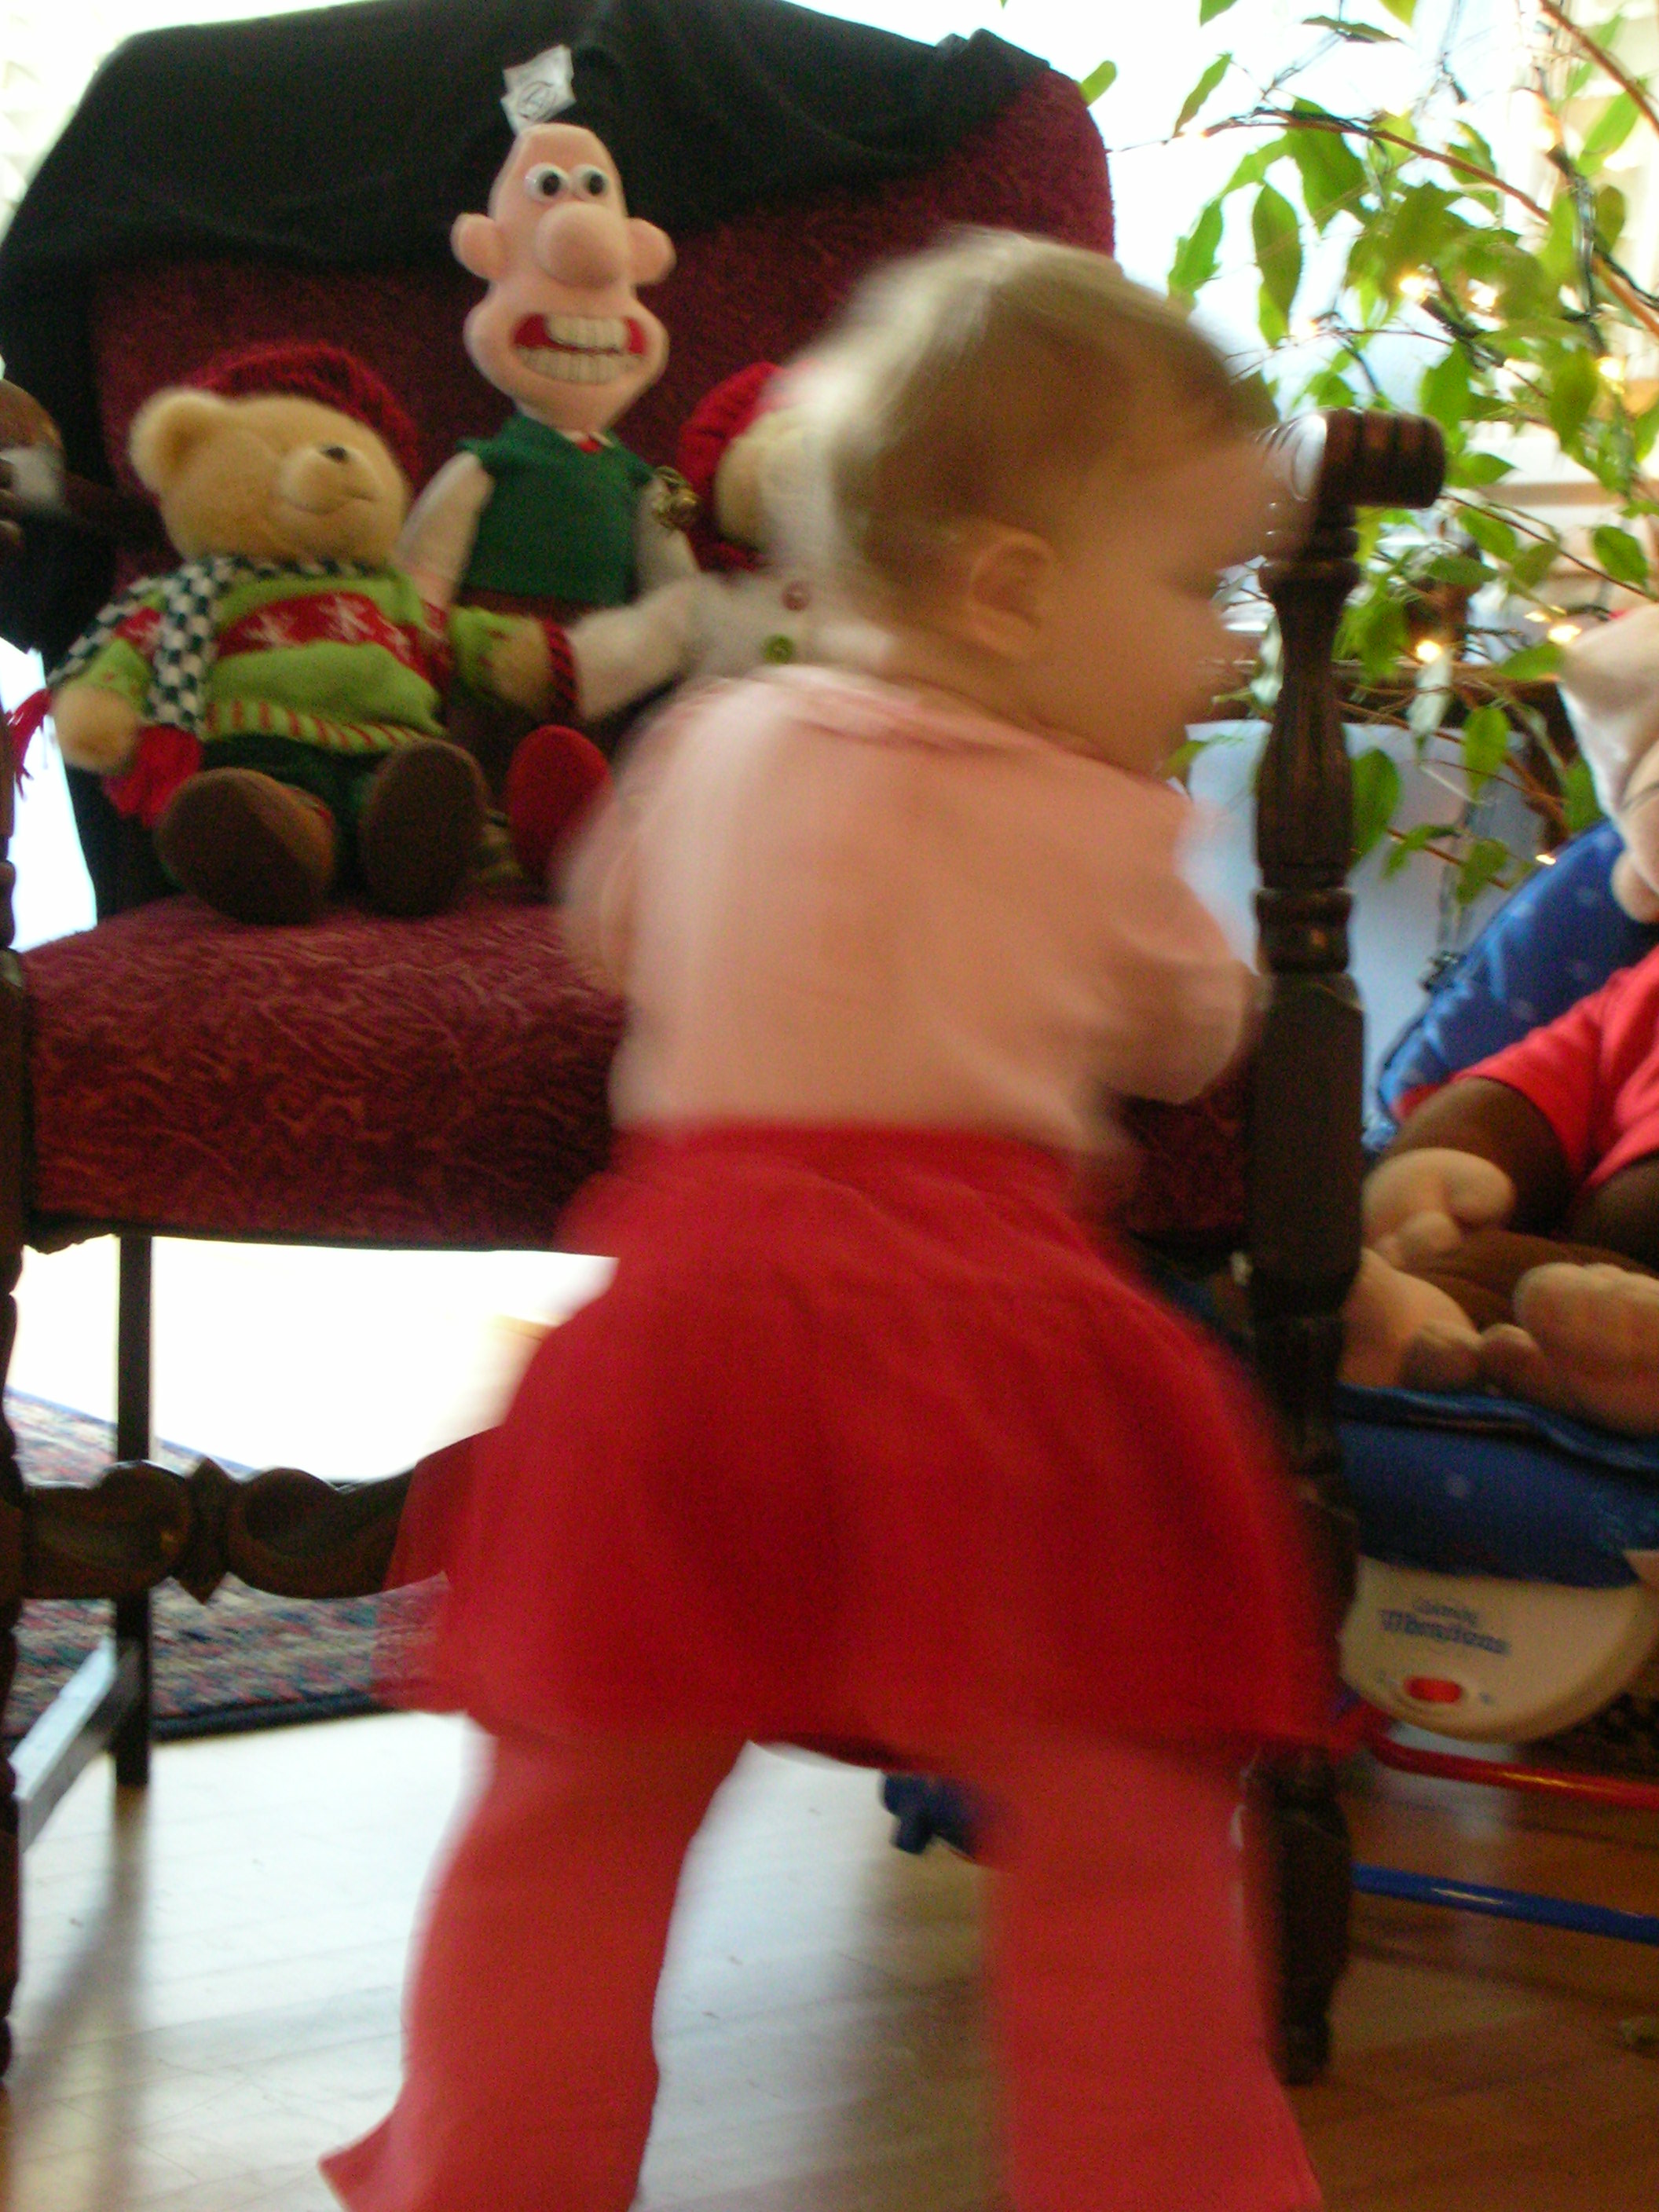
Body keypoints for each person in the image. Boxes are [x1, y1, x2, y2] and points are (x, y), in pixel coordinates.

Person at [322, 231, 1330, 2212]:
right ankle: (1160, 2179)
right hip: (995, 1360)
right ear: (1011, 588)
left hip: (682, 1336)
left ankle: (489, 2169)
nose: (1225, 647)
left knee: (575, 1805)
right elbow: (1198, 1033)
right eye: (1200, 586)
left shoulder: (717, 739)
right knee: (1119, 1812)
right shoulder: (1110, 821)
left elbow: (613, 941)